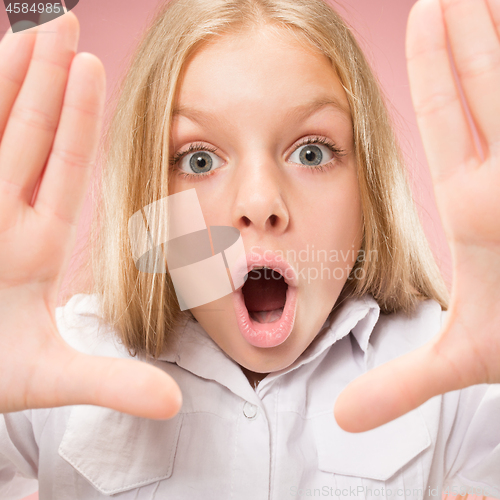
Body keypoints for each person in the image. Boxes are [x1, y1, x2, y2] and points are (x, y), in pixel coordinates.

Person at [0, 0, 499, 498]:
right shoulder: (55, 358)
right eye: (198, 160)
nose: (260, 203)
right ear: (147, 199)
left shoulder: (450, 367)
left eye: (311, 152)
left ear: (368, 191)